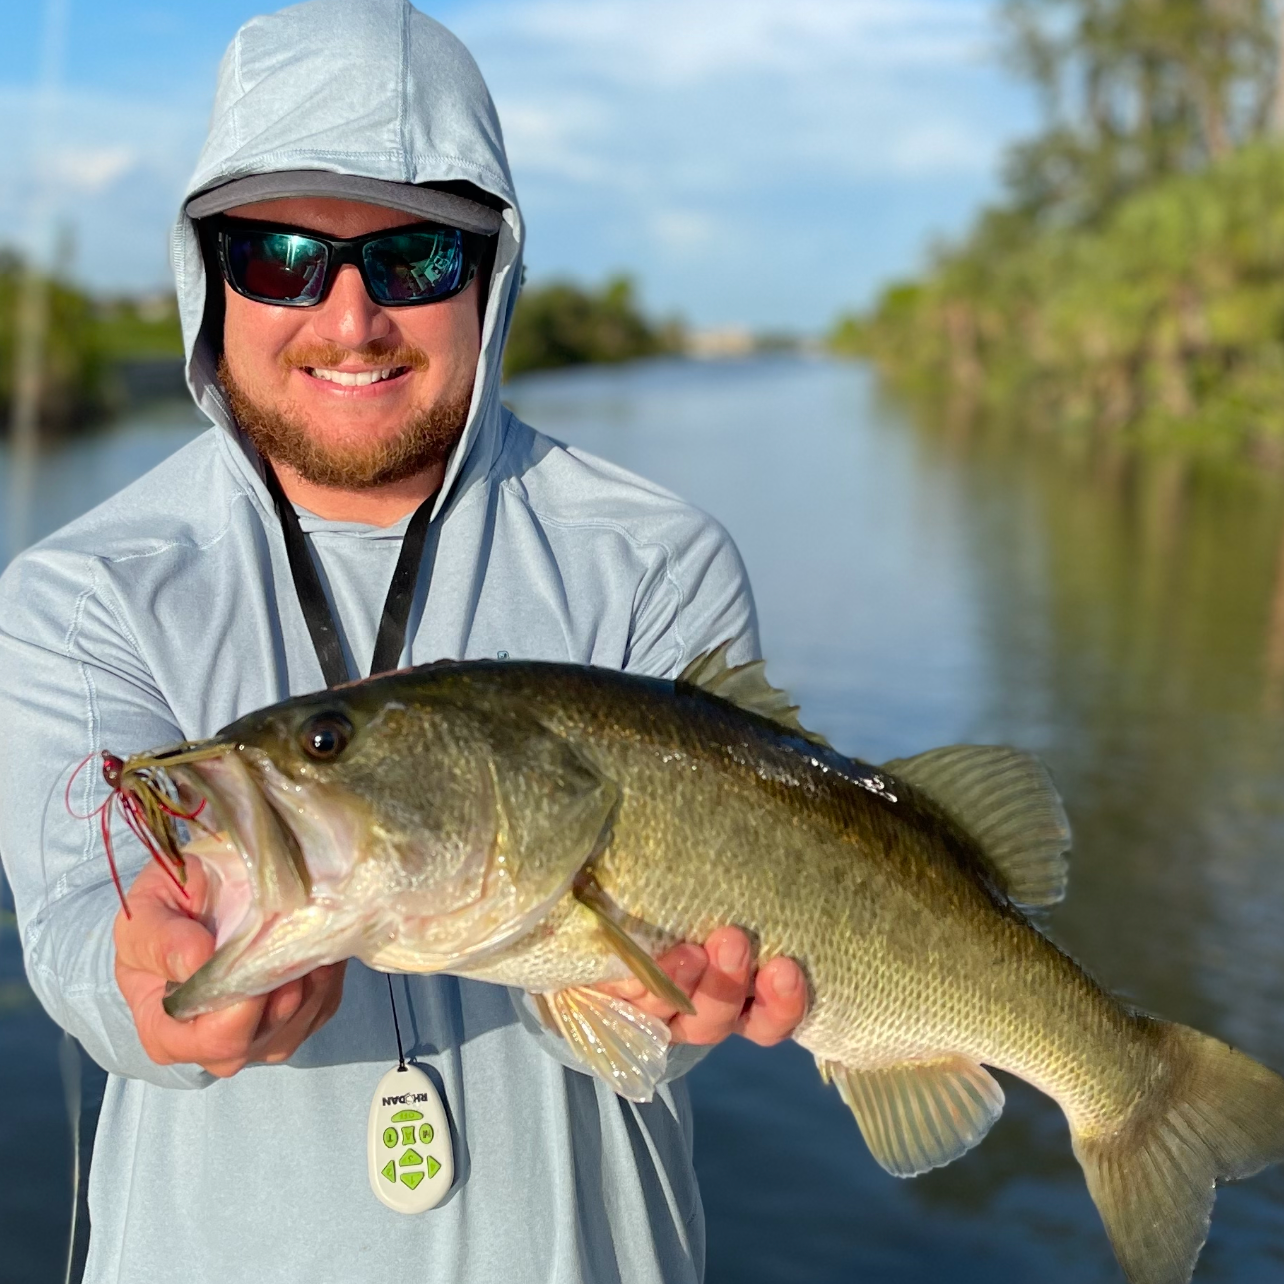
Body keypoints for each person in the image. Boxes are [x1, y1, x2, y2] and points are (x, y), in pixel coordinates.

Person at [0, 3, 808, 1281]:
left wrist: (673, 1001)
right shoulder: (82, 592)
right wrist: (138, 980)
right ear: (207, 274)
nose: (350, 318)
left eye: (417, 257)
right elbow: (72, 923)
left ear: (492, 275)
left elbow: (681, 995)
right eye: (279, 256)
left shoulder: (657, 561)